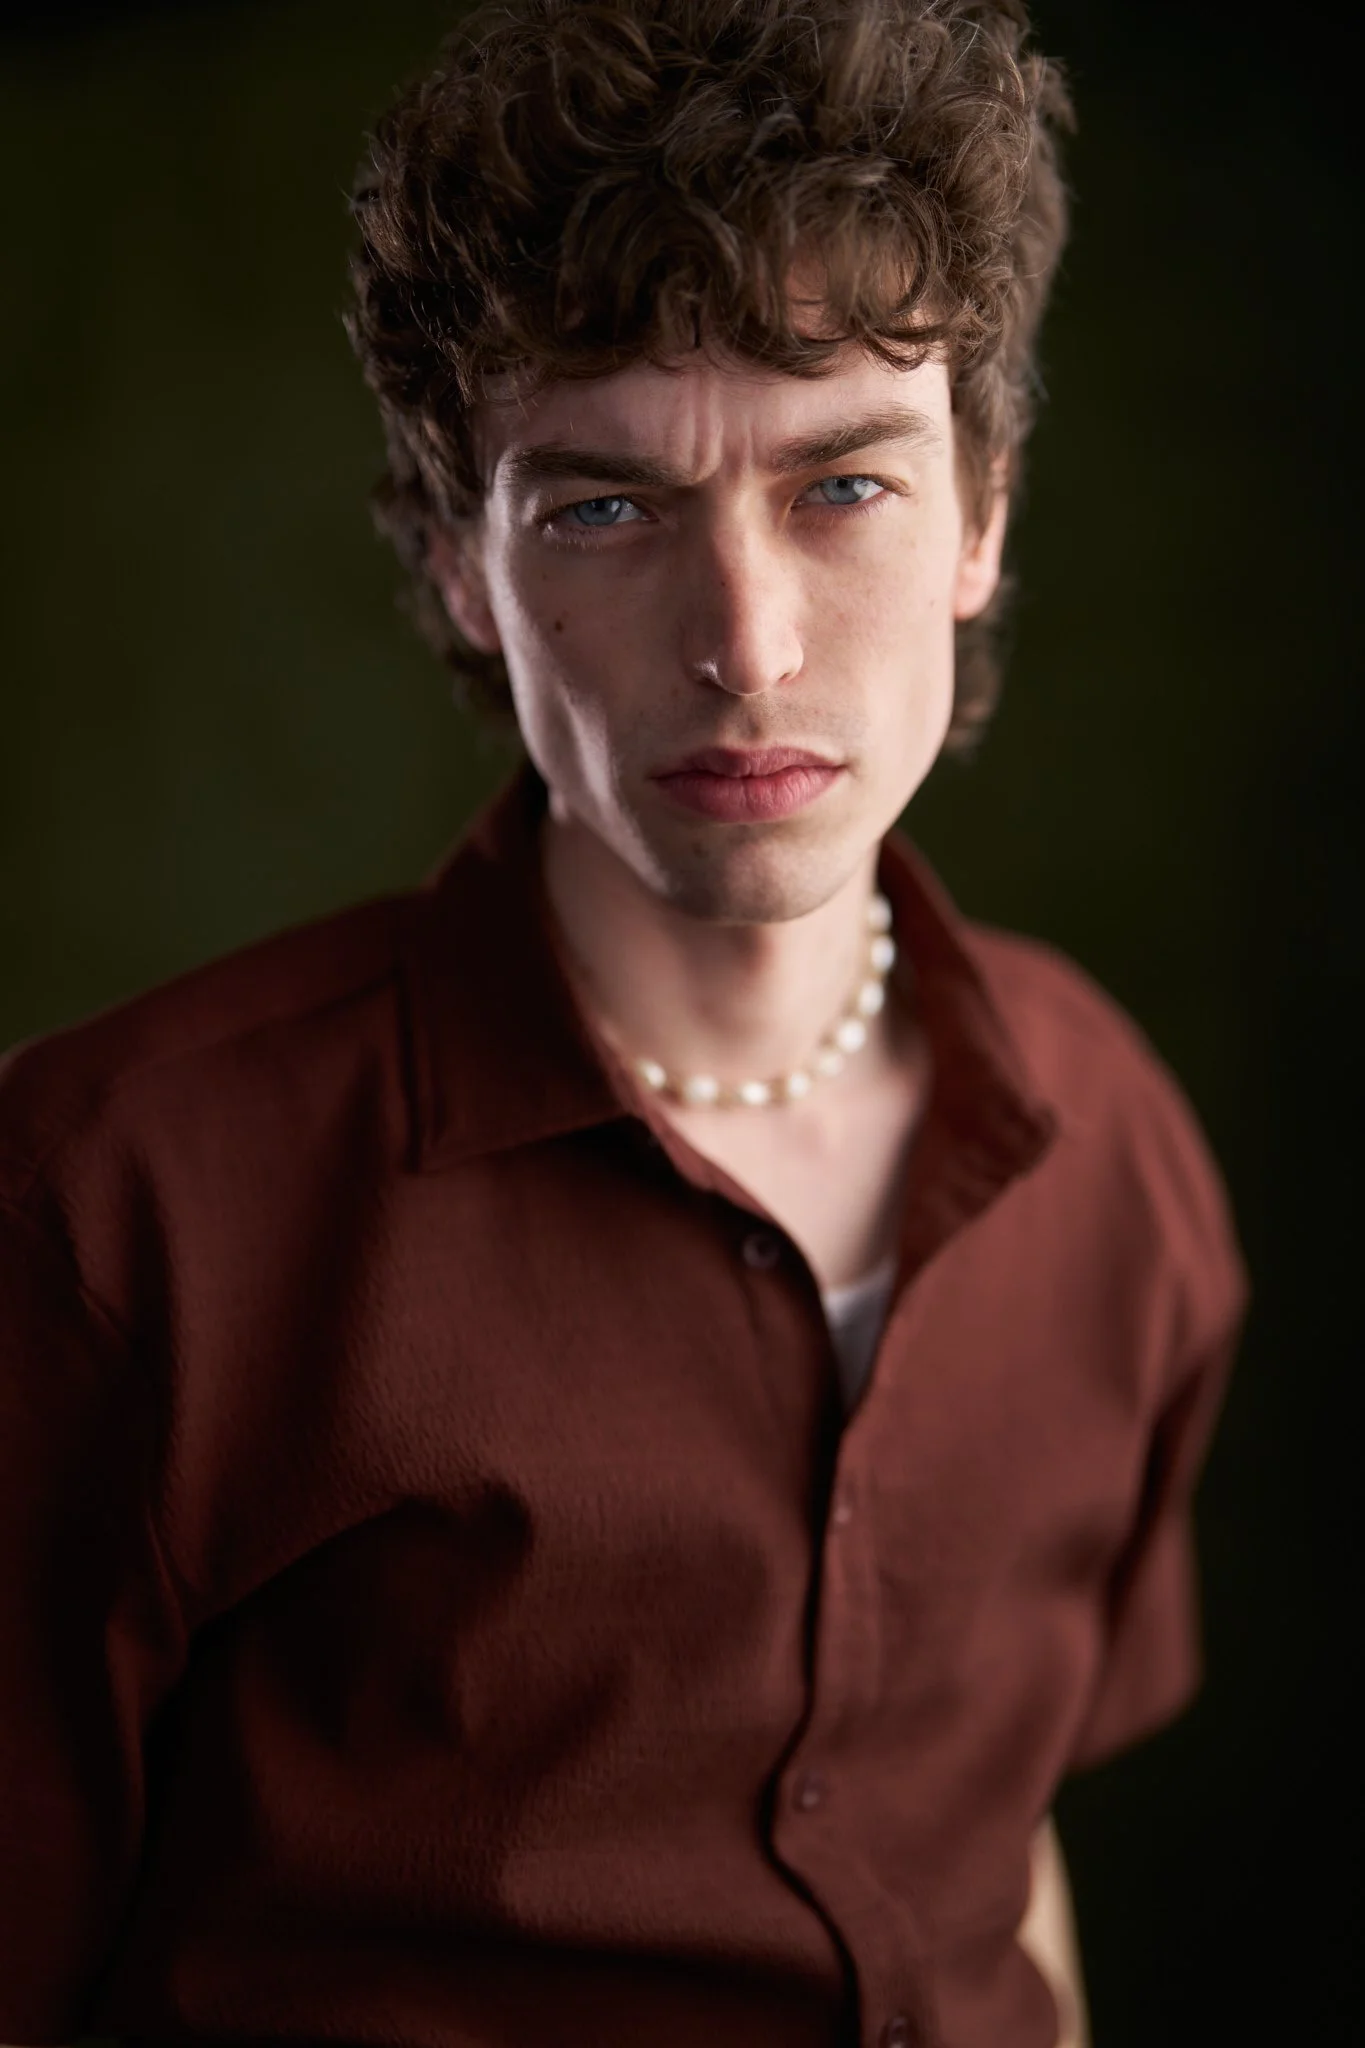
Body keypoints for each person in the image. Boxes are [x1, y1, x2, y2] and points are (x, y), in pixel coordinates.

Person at [0, 2, 1249, 2045]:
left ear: (984, 516)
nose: (742, 642)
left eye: (841, 485)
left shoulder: (1116, 1144)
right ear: (457, 563)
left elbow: (1003, 1845)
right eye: (600, 509)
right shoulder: (109, 1209)